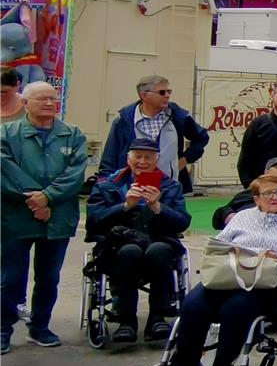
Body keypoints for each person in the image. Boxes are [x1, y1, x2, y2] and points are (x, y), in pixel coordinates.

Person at [155, 176, 277, 366]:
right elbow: (220, 244)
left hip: (270, 283)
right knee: (193, 306)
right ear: (256, 199)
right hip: (232, 276)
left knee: (234, 309)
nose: (275, 197)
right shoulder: (243, 217)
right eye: (268, 193)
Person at [1, 81, 87, 351]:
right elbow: (5, 169)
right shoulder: (7, 133)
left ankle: (40, 326)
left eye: (53, 98)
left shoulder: (73, 135)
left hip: (58, 216)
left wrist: (48, 197)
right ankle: (3, 328)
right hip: (16, 216)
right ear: (25, 103)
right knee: (11, 276)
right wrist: (34, 199)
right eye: (42, 99)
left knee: (49, 276)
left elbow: (75, 173)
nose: (50, 103)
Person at [87, 139, 190, 344]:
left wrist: (158, 207)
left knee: (159, 250)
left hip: (159, 242)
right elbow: (94, 222)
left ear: (156, 160)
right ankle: (127, 321)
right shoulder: (108, 185)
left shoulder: (171, 186)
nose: (142, 162)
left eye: (148, 157)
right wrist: (125, 206)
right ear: (128, 159)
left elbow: (182, 222)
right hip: (119, 245)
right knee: (130, 251)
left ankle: (157, 319)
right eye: (138, 157)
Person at [97, 74, 208, 190]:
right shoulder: (124, 120)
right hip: (132, 188)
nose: (167, 96)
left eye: (169, 91)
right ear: (144, 95)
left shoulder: (178, 116)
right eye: (162, 92)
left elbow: (201, 137)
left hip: (169, 187)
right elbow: (109, 157)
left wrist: (184, 160)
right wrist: (106, 186)